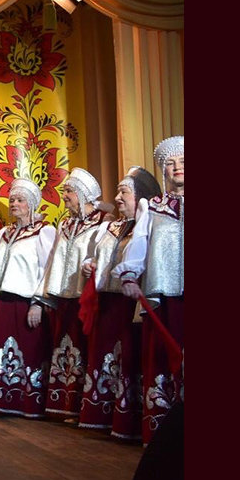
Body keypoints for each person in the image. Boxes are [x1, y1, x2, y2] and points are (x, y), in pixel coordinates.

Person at [79, 167, 161, 439]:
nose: (116, 198)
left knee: (128, 360)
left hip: (131, 304)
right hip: (106, 303)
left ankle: (128, 422)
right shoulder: (111, 226)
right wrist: (90, 264)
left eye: (123, 192)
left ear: (141, 197)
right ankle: (101, 416)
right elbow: (95, 255)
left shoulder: (150, 224)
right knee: (104, 358)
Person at [114, 135, 184, 444]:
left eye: (182, 162)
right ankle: (164, 433)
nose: (177, 167)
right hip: (164, 297)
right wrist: (129, 275)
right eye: (170, 164)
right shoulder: (153, 207)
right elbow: (140, 243)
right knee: (163, 360)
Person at [0, 178, 57, 419]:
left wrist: (38, 303)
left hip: (27, 303)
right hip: (4, 301)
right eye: (12, 200)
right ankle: (3, 399)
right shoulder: (5, 233)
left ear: (31, 204)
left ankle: (29, 404)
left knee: (29, 351)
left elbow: (48, 268)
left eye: (20, 200)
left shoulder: (45, 231)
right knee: (4, 349)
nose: (14, 204)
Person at [36, 168, 108, 420]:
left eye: (68, 191)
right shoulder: (65, 224)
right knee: (64, 348)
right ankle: (62, 405)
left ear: (83, 194)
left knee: (85, 348)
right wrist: (47, 294)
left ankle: (82, 408)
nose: (63, 195)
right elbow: (54, 260)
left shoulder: (102, 223)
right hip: (63, 297)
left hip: (85, 297)